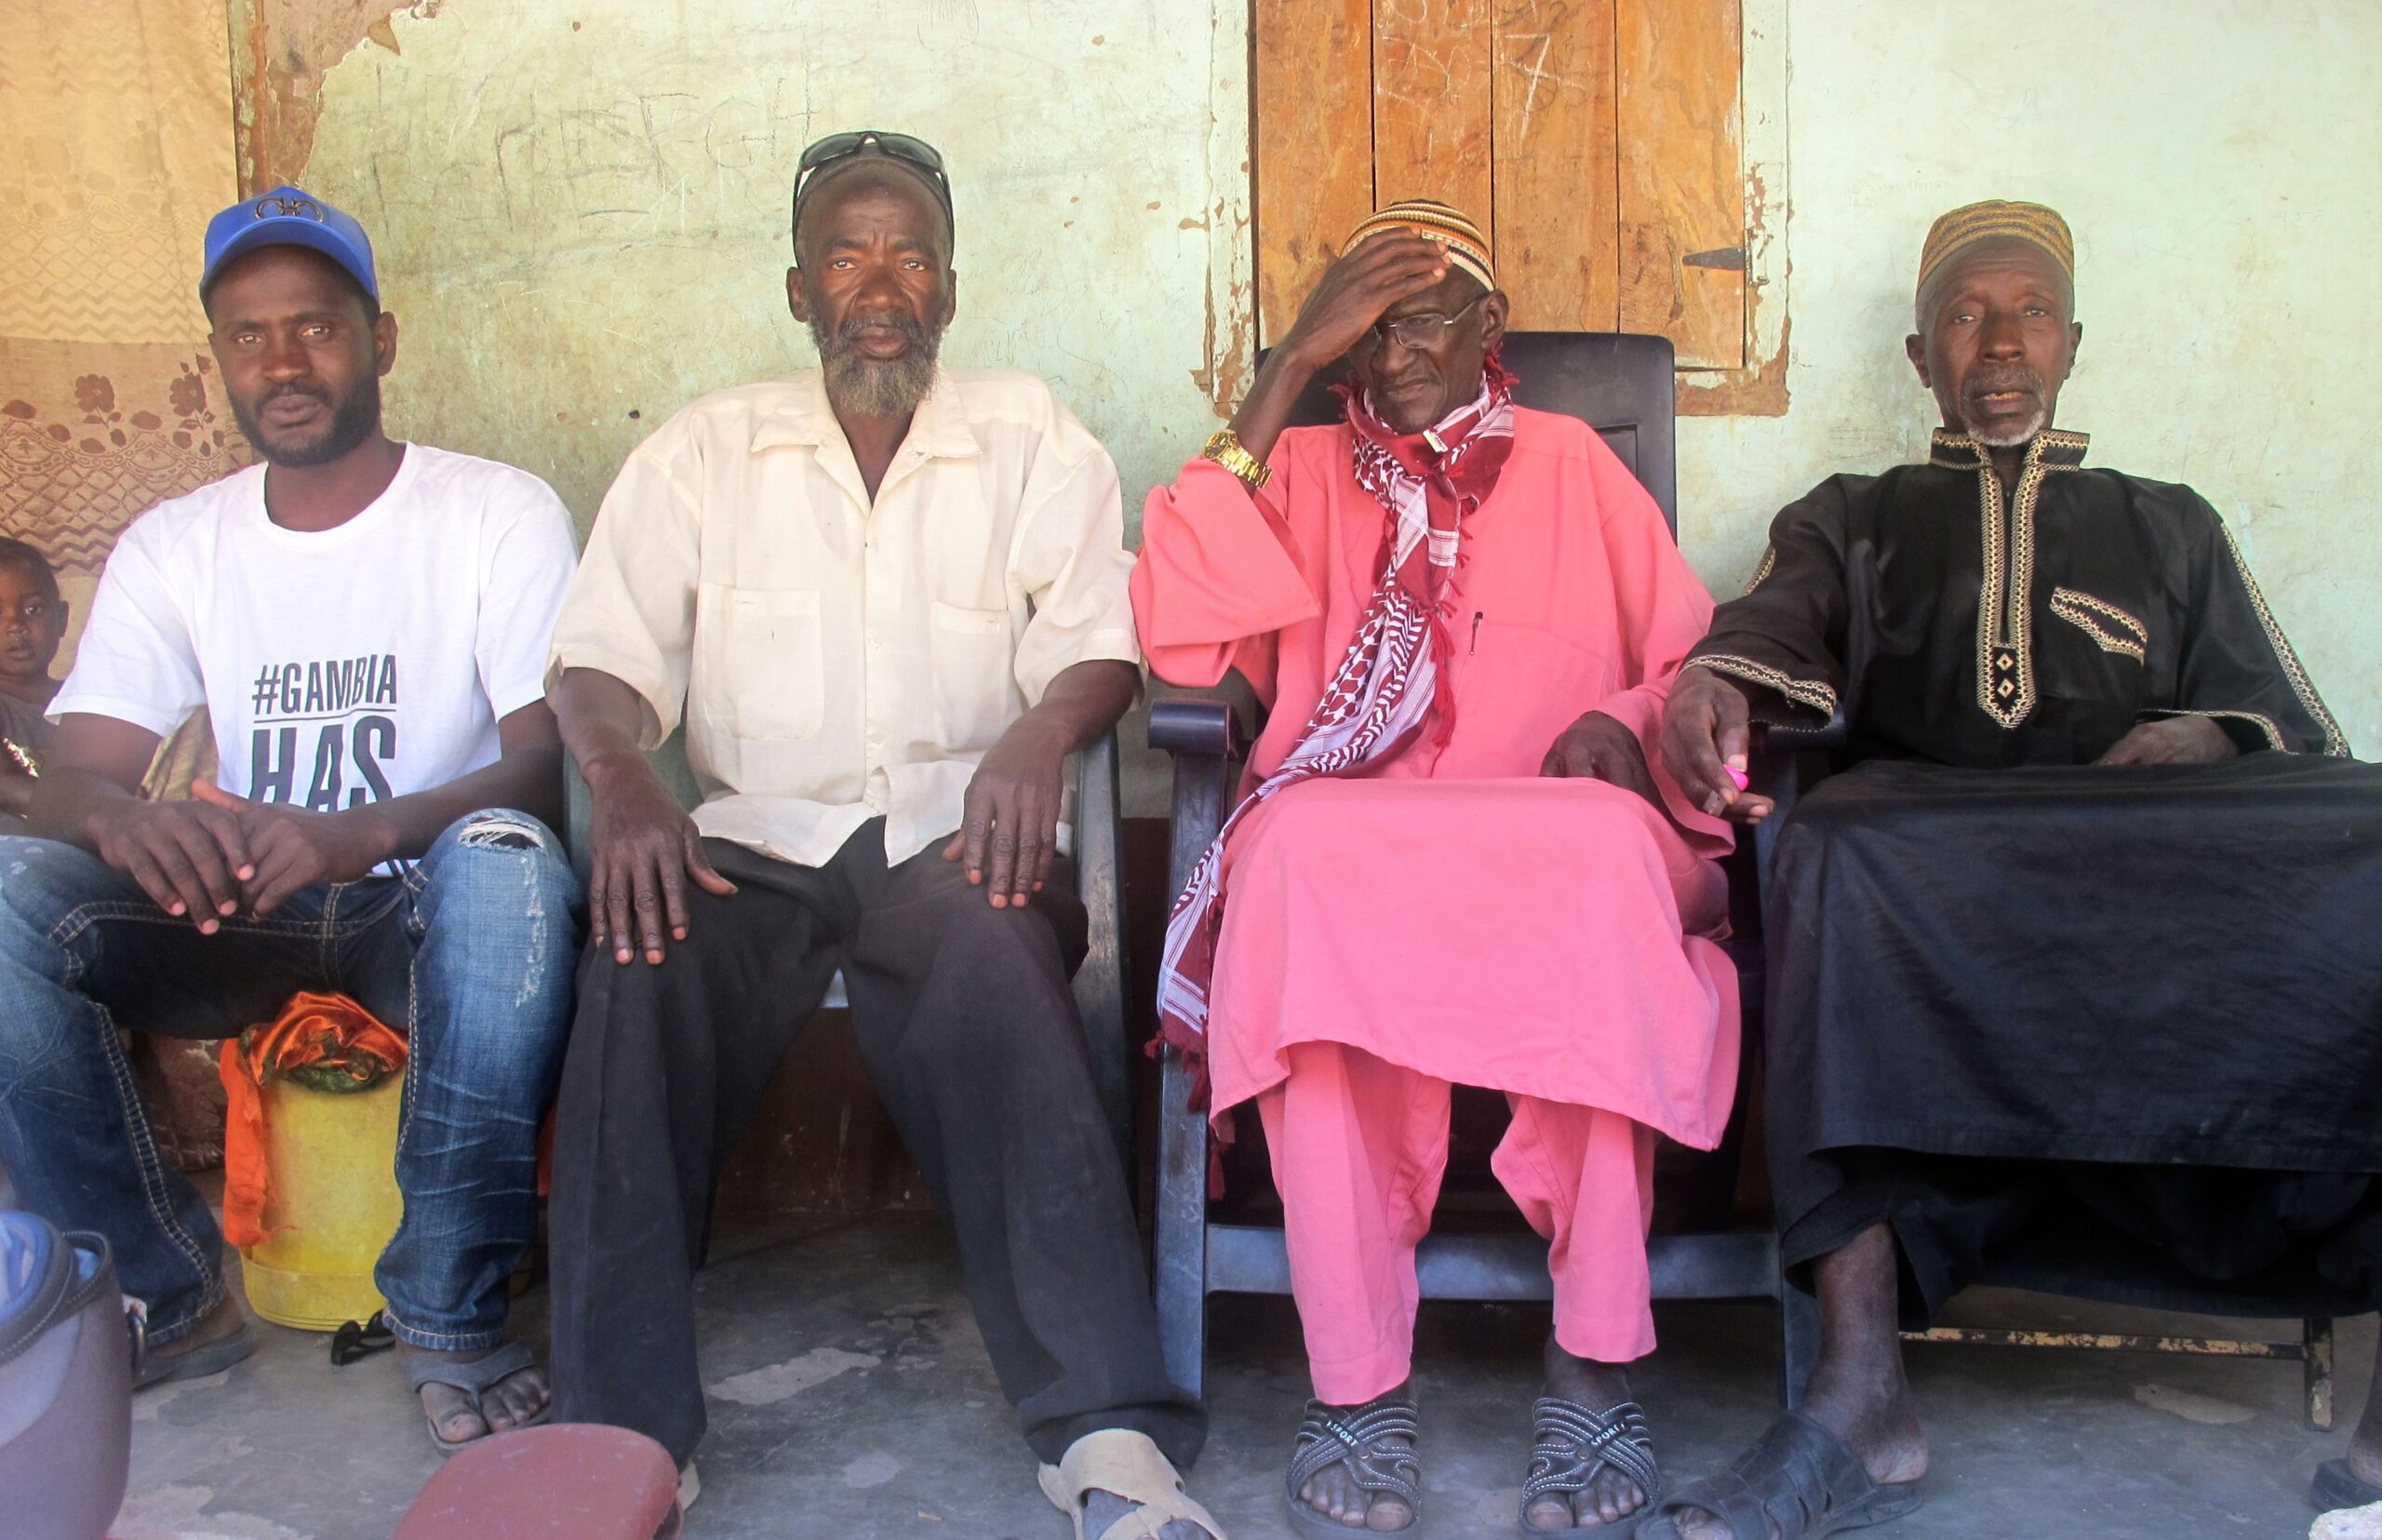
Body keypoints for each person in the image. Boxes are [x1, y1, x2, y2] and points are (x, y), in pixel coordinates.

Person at [1648, 201, 2382, 1539]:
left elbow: (2290, 717)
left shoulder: (2170, 524)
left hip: (2151, 866)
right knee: (1826, 844)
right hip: (1935, 872)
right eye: (1968, 317)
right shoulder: (1853, 517)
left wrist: (2204, 729)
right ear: (1923, 355)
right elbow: (1767, 627)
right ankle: (1863, 1396)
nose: (2001, 344)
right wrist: (1707, 676)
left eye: (2030, 312)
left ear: (2074, 343)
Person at [544, 131, 1218, 1540]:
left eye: (909, 254)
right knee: (637, 958)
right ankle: (621, 1433)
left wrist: (1040, 733)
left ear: (951, 287)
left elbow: (1100, 640)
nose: (879, 286)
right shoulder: (703, 449)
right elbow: (601, 656)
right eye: (846, 256)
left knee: (993, 955)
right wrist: (620, 774)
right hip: (752, 838)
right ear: (799, 291)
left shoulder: (1031, 432)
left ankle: (1109, 1438)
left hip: (951, 832)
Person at [1133, 199, 1740, 1536]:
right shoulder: (1291, 466)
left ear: (1490, 329)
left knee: (1597, 870)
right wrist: (1289, 361)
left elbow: (1699, 671)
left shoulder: (1578, 462)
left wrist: (1630, 724)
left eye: (1421, 317)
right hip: (1360, 849)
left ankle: (1594, 1360)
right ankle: (1356, 1384)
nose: (1390, 349)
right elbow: (1179, 645)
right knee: (1294, 860)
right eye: (1363, 324)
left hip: (1549, 836)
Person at [0, 187, 582, 1453]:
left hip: (424, 891)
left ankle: (447, 1305)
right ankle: (158, 1291)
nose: (282, 361)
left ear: (381, 337)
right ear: (218, 358)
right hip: (239, 900)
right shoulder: (178, 544)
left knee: (512, 868)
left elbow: (548, 767)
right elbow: (73, 772)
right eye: (248, 334)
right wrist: (124, 822)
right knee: (5, 891)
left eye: (313, 327)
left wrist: (359, 832)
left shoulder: (493, 510)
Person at [0, 536, 67, 810]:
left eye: (33, 609)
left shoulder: (88, 702)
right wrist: (85, 807)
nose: (16, 626)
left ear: (62, 619)